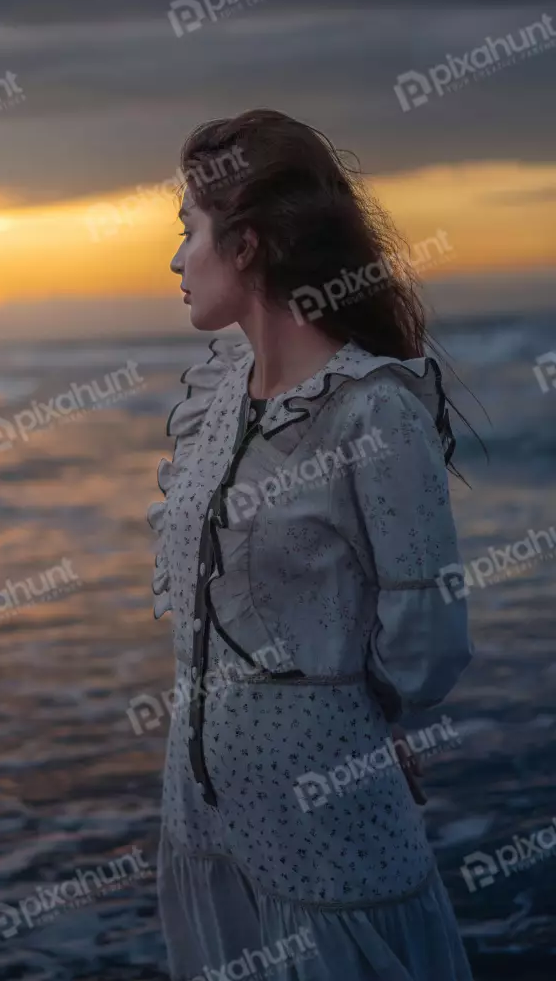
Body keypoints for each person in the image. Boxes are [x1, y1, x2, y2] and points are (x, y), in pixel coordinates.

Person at [146, 109, 474, 980]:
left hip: (326, 825)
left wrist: (357, 710)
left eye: (189, 231)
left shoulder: (372, 410)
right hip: (201, 816)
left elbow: (428, 645)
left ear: (245, 245)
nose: (178, 259)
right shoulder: (220, 400)